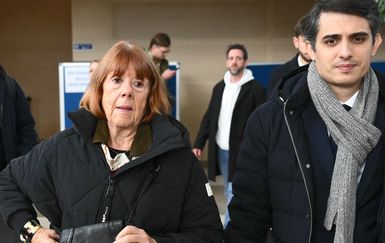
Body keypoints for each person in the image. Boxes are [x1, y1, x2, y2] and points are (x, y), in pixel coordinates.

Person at [224, 0, 385, 242]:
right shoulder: (270, 120)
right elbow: (248, 214)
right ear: (310, 48)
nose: (345, 52)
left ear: (375, 43)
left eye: (358, 39)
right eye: (331, 40)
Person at [0, 41, 223, 243]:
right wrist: (32, 231)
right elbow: (6, 181)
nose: (126, 91)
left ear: (150, 97)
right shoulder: (63, 147)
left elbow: (210, 234)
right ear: (100, 89)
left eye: (138, 83)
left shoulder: (179, 160)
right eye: (116, 80)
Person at [193, 44, 266, 227]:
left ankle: (230, 230)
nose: (235, 61)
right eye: (231, 58)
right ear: (227, 62)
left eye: (239, 58)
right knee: (229, 189)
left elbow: (262, 122)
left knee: (235, 190)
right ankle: (235, 225)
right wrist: (199, 144)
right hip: (222, 149)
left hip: (243, 150)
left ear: (245, 62)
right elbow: (209, 117)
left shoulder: (255, 89)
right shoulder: (219, 87)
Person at [0, 65, 39, 242]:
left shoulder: (8, 86)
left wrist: (20, 163)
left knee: (9, 233)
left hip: (6, 181)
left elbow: (26, 128)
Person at [267, 15, 312, 98]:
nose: (310, 47)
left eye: (313, 41)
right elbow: (272, 109)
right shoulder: (279, 75)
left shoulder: (331, 72)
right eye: (306, 42)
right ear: (296, 42)